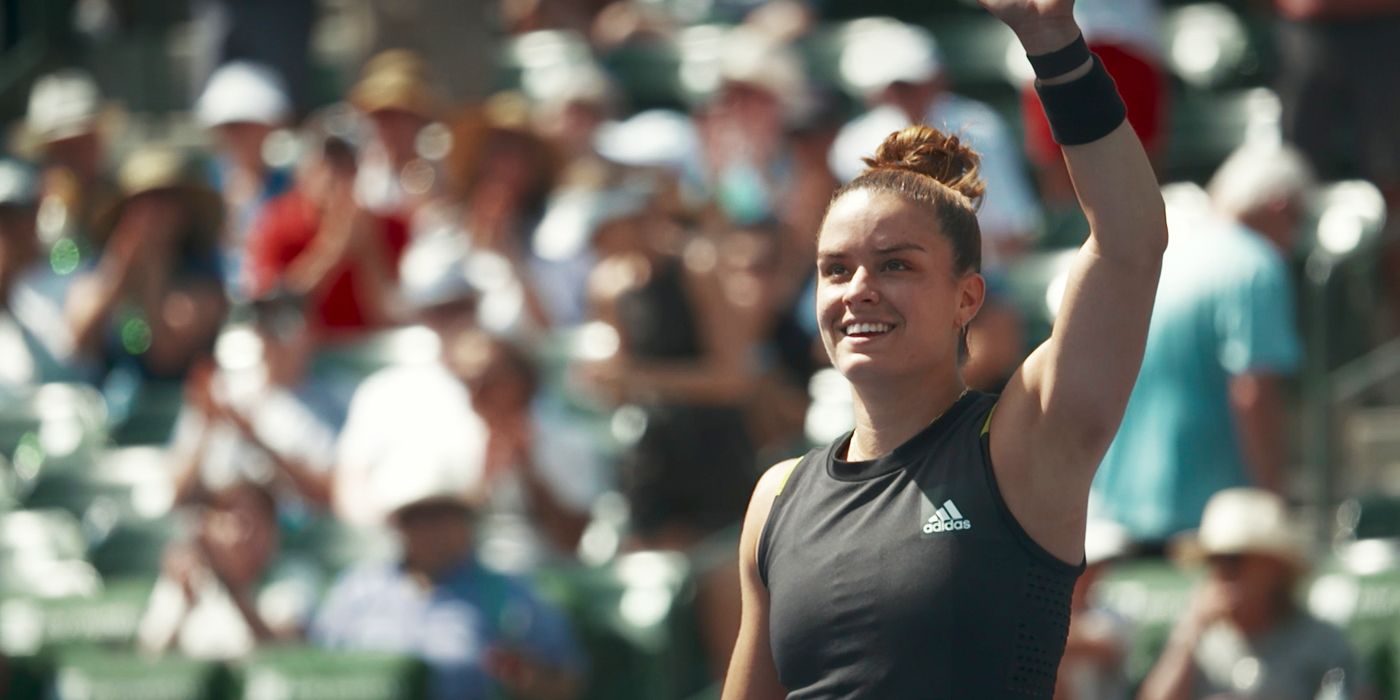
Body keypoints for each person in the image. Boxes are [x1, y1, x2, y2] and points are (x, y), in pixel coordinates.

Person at [722, 0, 1169, 696]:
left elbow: (1130, 244)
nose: (858, 290)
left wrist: (1052, 40)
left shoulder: (1023, 444)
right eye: (836, 269)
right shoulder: (775, 499)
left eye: (897, 264)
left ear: (968, 298)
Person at [1089, 143, 1310, 546]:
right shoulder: (1257, 265)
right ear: (1279, 207)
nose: (1297, 237)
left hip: (1116, 517)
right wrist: (1273, 506)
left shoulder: (1164, 254)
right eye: (1299, 218)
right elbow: (1253, 393)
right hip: (1211, 531)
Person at [311, 448, 584, 700]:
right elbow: (315, 671)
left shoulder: (508, 594)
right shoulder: (357, 590)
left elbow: (565, 682)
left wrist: (525, 679)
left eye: (446, 514)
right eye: (421, 516)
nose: (435, 529)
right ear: (400, 525)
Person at [1138, 488, 1370, 700]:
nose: (1222, 572)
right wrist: (1190, 633)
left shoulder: (1320, 640)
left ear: (1274, 567)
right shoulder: (1197, 639)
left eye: (1233, 559)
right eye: (1213, 560)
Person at [138, 481, 320, 659]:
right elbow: (150, 660)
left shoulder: (294, 575)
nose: (242, 534)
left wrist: (232, 588)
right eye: (231, 519)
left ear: (273, 532)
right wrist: (185, 602)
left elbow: (286, 656)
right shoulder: (183, 577)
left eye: (253, 521)